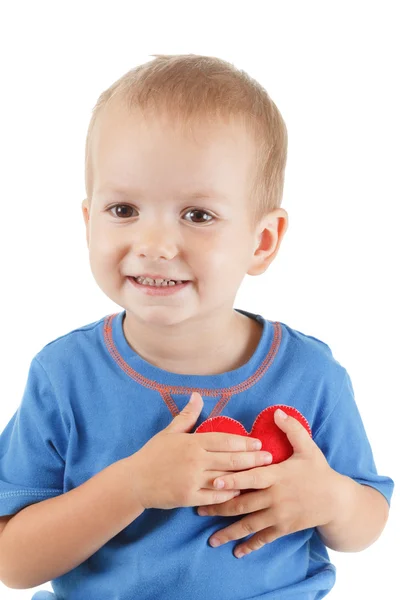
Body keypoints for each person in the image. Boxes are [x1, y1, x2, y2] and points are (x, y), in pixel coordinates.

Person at [0, 54, 394, 600]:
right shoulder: (64, 375)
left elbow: (368, 521)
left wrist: (329, 498)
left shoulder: (312, 373)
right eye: (123, 209)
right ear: (87, 222)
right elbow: (14, 564)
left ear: (262, 242)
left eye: (198, 215)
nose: (155, 245)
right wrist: (132, 486)